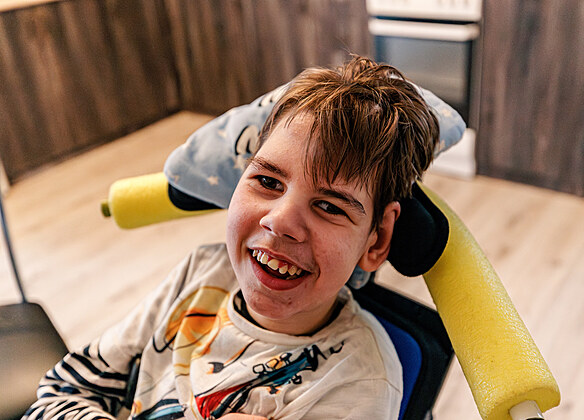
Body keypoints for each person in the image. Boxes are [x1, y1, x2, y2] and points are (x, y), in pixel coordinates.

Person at [23, 56, 440, 420]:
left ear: (376, 240)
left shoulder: (359, 385)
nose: (280, 222)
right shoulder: (202, 272)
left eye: (329, 207)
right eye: (268, 181)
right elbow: (61, 391)